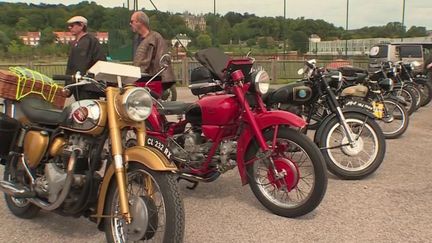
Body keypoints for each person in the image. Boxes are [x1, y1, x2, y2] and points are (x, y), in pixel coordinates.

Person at [130, 11, 176, 93]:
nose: (130, 24)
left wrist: (162, 84)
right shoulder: (136, 40)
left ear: (140, 22)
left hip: (151, 81)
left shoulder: (155, 38)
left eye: (132, 21)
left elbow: (162, 60)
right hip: (138, 79)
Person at [65, 16, 106, 100]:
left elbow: (79, 67)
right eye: (69, 26)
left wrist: (69, 87)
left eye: (72, 25)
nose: (69, 28)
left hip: (86, 86)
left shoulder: (87, 42)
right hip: (82, 86)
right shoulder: (79, 42)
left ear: (81, 25)